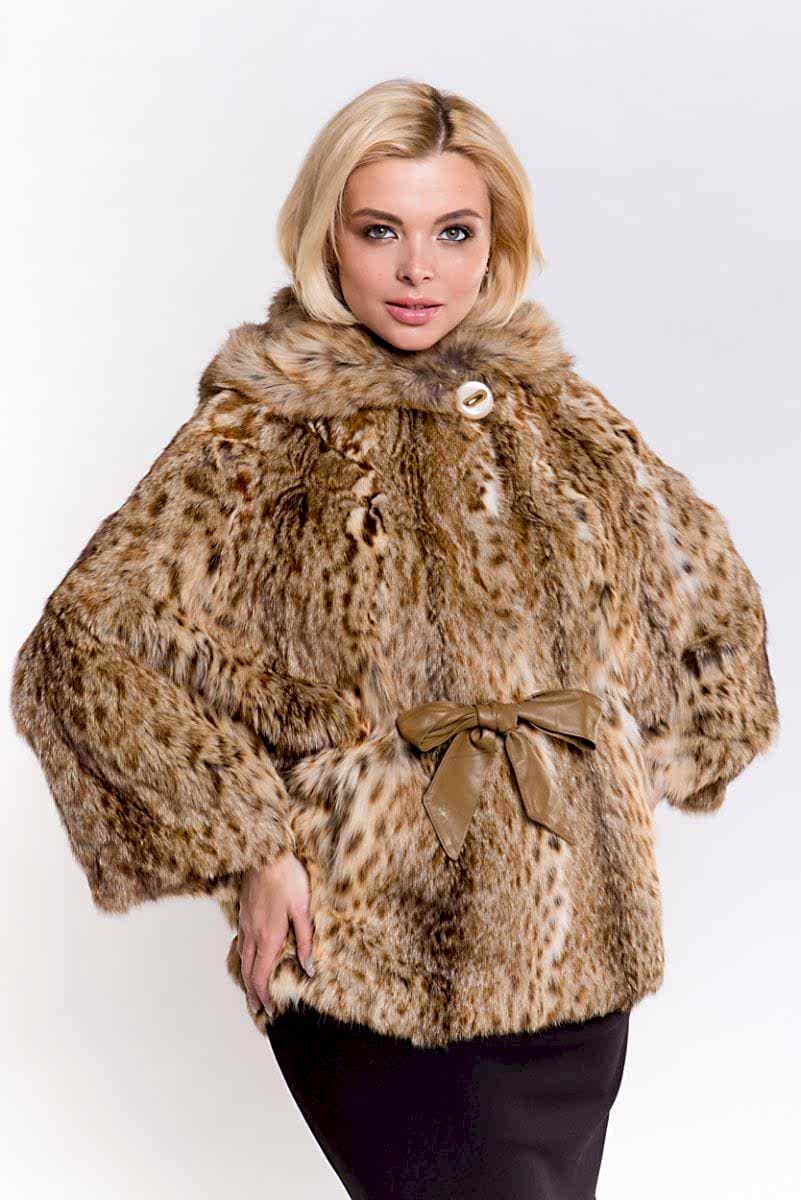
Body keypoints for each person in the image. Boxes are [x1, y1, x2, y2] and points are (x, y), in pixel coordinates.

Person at [10, 78, 779, 1200]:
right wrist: (252, 843)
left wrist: (614, 775)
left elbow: (712, 616)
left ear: (495, 242)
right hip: (369, 958)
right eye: (381, 231)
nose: (418, 270)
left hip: (573, 972)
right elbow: (83, 653)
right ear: (329, 239)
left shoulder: (562, 419)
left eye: (452, 232)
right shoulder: (265, 427)